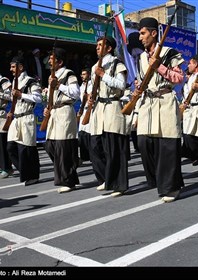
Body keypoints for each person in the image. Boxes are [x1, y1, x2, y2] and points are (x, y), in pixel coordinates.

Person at [132, 17, 185, 203]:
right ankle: (157, 179)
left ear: (154, 33)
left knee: (167, 146)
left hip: (165, 100)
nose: (140, 38)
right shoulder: (140, 58)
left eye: (143, 33)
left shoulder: (170, 52)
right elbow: (140, 79)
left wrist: (159, 67)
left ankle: (171, 187)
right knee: (144, 143)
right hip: (148, 103)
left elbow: (179, 78)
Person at [88, 36, 129, 197]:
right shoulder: (94, 67)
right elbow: (93, 87)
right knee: (95, 145)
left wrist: (103, 75)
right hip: (99, 108)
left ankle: (119, 184)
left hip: (112, 107)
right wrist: (91, 95)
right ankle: (106, 177)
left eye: (101, 45)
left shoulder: (117, 64)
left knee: (113, 148)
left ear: (109, 48)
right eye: (96, 45)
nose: (97, 47)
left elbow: (121, 85)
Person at [43, 48, 80, 193]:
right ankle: (70, 174)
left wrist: (59, 85)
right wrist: (48, 107)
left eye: (52, 59)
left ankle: (68, 181)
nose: (49, 61)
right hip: (54, 112)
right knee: (50, 145)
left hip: (64, 111)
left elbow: (76, 92)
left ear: (60, 61)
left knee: (63, 147)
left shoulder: (68, 74)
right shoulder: (51, 76)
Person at [6, 56, 42, 186]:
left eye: (13, 66)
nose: (11, 69)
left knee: (27, 148)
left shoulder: (30, 81)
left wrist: (21, 95)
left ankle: (33, 175)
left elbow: (38, 98)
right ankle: (25, 171)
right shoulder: (14, 81)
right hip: (16, 117)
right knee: (11, 147)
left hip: (26, 117)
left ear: (20, 67)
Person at [77, 68, 93, 164]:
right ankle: (84, 155)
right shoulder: (81, 86)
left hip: (89, 109)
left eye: (84, 74)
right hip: (83, 110)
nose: (82, 76)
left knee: (89, 133)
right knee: (82, 132)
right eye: (81, 74)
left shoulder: (92, 85)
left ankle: (91, 155)